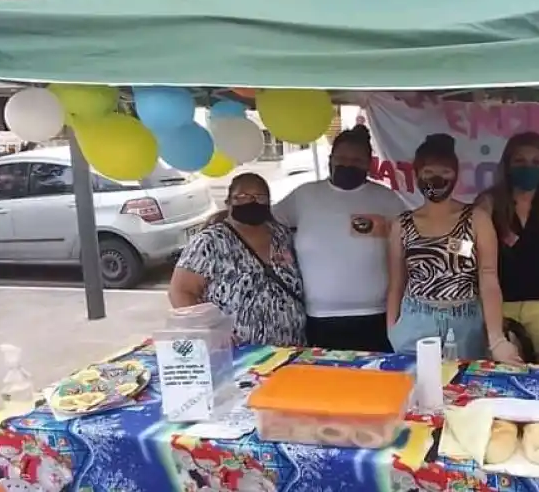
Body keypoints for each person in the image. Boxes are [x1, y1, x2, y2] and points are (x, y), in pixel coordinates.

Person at [386, 133, 523, 364]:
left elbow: (489, 278)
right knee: (415, 384)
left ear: (456, 175)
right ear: (417, 175)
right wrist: (392, 330)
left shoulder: (476, 219)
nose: (437, 179)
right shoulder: (402, 224)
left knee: (463, 383)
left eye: (445, 172)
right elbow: (396, 283)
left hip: (465, 324)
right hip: (414, 322)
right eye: (428, 172)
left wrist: (496, 338)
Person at [273, 125, 404, 352]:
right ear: (330, 159)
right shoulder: (304, 196)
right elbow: (263, 221)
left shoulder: (388, 200)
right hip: (318, 318)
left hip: (377, 316)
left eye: (357, 160)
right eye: (342, 158)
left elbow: (407, 247)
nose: (348, 165)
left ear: (369, 164)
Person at [168, 172, 306, 347]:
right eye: (242, 196)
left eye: (260, 197)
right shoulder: (210, 241)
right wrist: (209, 331)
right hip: (237, 351)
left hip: (292, 347)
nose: (252, 202)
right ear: (228, 201)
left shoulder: (281, 235)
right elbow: (180, 291)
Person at [476, 132, 539, 363]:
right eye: (520, 161)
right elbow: (470, 252)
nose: (528, 167)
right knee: (502, 369)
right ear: (507, 165)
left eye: (536, 162)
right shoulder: (489, 203)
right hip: (501, 305)